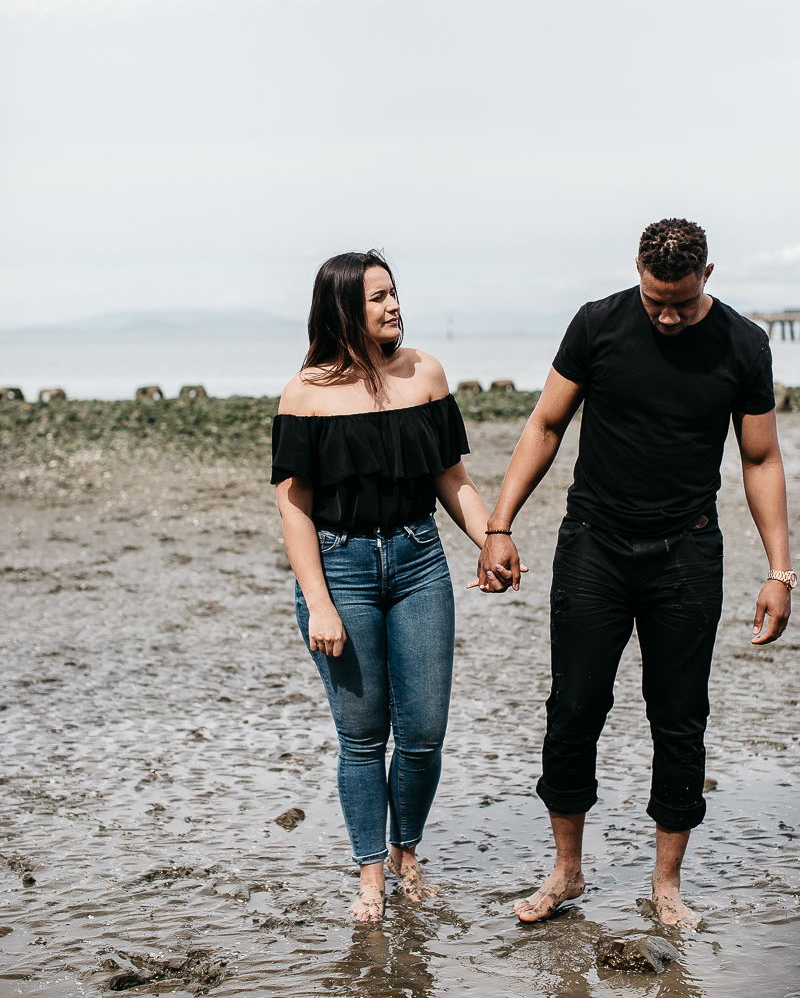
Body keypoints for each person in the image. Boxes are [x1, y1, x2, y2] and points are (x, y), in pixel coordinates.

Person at [478, 218, 794, 929]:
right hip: (595, 544)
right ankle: (566, 871)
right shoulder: (598, 325)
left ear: (707, 276)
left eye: (681, 300)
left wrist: (781, 570)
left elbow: (760, 459)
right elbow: (547, 424)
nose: (669, 315)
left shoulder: (744, 344)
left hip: (687, 550)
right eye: (656, 299)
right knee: (574, 708)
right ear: (639, 274)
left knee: (679, 718)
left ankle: (667, 883)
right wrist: (499, 525)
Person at [272, 250, 512, 922]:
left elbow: (451, 478)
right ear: (344, 308)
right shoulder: (305, 393)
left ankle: (408, 851)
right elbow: (295, 506)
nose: (394, 306)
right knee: (362, 734)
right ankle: (372, 876)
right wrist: (318, 601)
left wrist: (492, 537)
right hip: (340, 566)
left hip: (418, 559)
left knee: (425, 730)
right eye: (377, 297)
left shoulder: (424, 374)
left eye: (394, 293)